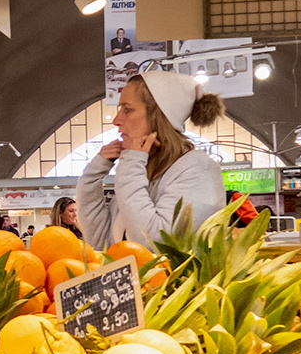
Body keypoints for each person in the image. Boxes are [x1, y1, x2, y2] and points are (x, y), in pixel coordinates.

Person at [76, 71, 226, 250]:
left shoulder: (199, 170)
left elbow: (156, 245)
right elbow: (103, 244)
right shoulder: (143, 167)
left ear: (157, 116)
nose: (116, 120)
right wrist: (92, 176)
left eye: (127, 109)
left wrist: (131, 163)